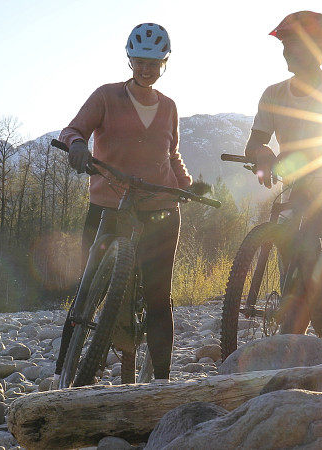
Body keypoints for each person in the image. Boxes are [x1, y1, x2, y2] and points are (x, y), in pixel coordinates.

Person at [54, 23, 194, 384]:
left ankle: (160, 382)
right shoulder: (106, 96)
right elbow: (72, 131)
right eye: (140, 61)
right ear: (130, 60)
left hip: (161, 209)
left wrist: (185, 183)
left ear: (165, 64)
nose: (147, 69)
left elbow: (171, 153)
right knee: (87, 288)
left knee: (159, 298)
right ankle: (64, 376)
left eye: (155, 63)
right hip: (110, 206)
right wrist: (77, 147)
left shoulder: (169, 107)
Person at [244, 11, 322, 353]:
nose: (287, 51)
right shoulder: (273, 95)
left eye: (294, 44)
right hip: (298, 196)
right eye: (284, 45)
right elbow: (254, 142)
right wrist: (264, 155)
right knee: (297, 285)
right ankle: (289, 365)